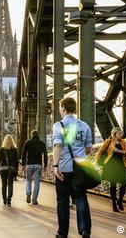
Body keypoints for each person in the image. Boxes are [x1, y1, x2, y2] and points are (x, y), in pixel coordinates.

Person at [52, 97, 92, 238]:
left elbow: (58, 146)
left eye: (60, 108)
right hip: (80, 169)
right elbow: (88, 148)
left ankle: (63, 233)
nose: (59, 111)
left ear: (63, 108)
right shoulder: (85, 126)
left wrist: (55, 165)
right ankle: (84, 230)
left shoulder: (59, 125)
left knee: (62, 201)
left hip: (64, 169)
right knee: (81, 198)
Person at [95, 127, 126, 212]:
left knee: (125, 183)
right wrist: (96, 162)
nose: (121, 135)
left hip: (121, 165)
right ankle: (114, 203)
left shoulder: (123, 142)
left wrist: (118, 151)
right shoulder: (108, 141)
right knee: (113, 184)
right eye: (119, 134)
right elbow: (100, 151)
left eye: (121, 134)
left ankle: (120, 200)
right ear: (114, 134)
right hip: (111, 165)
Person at [21, 130, 47, 205]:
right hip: (38, 165)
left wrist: (23, 164)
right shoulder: (41, 143)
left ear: (31, 135)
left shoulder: (28, 142)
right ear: (37, 135)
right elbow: (45, 155)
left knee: (28, 180)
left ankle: (28, 192)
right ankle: (34, 200)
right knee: (37, 183)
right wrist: (45, 165)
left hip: (29, 165)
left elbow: (23, 154)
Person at [0, 135, 19, 207]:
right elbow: (16, 161)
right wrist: (16, 171)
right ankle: (9, 201)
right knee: (10, 185)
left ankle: (4, 200)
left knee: (4, 185)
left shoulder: (2, 149)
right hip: (11, 169)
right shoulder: (14, 149)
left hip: (3, 169)